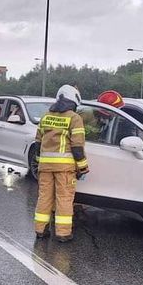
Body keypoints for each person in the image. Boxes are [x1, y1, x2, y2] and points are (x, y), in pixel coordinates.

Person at [33, 84, 89, 242]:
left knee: (44, 197)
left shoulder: (46, 116)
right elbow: (77, 148)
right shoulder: (74, 118)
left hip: (45, 166)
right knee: (64, 199)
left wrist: (40, 163)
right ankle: (63, 233)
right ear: (74, 100)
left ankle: (40, 230)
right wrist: (83, 167)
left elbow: (38, 144)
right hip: (64, 168)